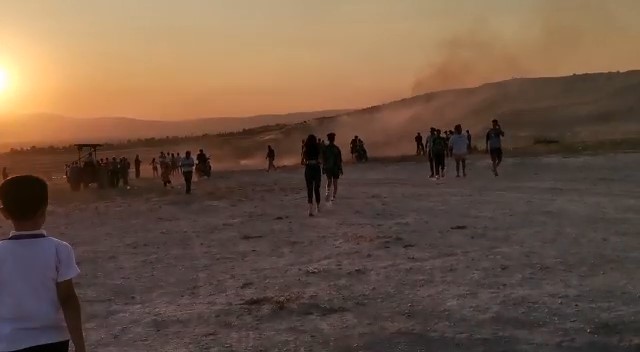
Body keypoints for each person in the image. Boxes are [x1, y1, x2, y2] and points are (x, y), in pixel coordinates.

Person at [0, 175, 87, 352]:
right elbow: (68, 300)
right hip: (53, 339)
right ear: (44, 209)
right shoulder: (59, 249)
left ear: (4, 213)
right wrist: (80, 345)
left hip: (9, 341)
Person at [303, 135, 322, 216]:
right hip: (316, 169)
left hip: (309, 169)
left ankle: (310, 210)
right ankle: (318, 207)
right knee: (316, 188)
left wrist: (307, 162)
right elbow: (320, 159)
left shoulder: (305, 149)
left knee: (309, 188)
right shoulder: (317, 148)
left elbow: (304, 161)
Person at [322, 132, 343, 202]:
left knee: (329, 181)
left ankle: (327, 193)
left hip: (328, 167)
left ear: (328, 139)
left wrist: (323, 167)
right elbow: (339, 160)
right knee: (335, 182)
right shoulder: (337, 148)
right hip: (335, 168)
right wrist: (340, 169)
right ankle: (333, 196)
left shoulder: (325, 148)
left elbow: (323, 159)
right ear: (334, 139)